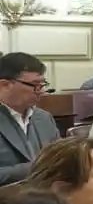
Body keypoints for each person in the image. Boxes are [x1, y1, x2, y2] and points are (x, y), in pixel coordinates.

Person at [0, 52, 61, 184]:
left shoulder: (45, 118)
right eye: (34, 85)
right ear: (5, 85)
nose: (41, 91)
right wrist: (33, 169)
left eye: (42, 84)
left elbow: (60, 157)